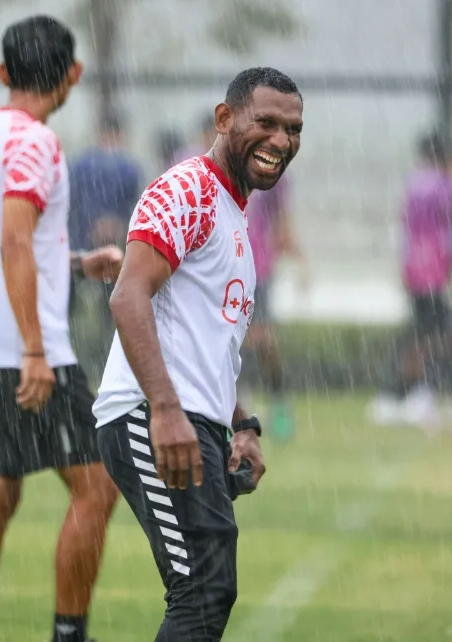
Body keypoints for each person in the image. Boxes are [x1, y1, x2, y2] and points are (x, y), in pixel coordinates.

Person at [94, 66, 301, 641]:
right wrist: (164, 412)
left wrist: (243, 425)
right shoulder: (188, 189)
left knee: (210, 589)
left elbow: (205, 346)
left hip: (190, 421)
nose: (281, 140)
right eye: (266, 122)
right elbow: (128, 296)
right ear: (224, 118)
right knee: (202, 589)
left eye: (292, 129)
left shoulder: (234, 211)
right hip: (149, 415)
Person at [0, 15, 124, 642]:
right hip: (28, 349)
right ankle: (69, 635)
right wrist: (34, 350)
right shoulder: (37, 143)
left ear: (3, 72)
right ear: (73, 73)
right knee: (98, 485)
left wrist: (76, 264)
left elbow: (5, 244)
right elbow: (14, 241)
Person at [369, 130, 452, 429]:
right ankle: (414, 394)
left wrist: (405, 266)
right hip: (435, 271)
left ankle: (401, 393)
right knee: (433, 336)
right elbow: (451, 231)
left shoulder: (413, 184)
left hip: (416, 268)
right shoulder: (446, 186)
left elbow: (405, 229)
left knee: (422, 334)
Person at [67, 114, 143, 381]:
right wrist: (101, 225)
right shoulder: (85, 166)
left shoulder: (125, 168)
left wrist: (114, 224)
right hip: (91, 248)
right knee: (91, 310)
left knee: (105, 310)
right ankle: (91, 364)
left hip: (104, 249)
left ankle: (95, 365)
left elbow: (135, 204)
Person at [243, 157, 307, 441]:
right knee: (241, 338)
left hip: (255, 268)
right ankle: (237, 404)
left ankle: (277, 405)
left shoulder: (273, 174)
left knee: (261, 338)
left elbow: (281, 225)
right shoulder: (216, 165)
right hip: (224, 266)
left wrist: (299, 260)